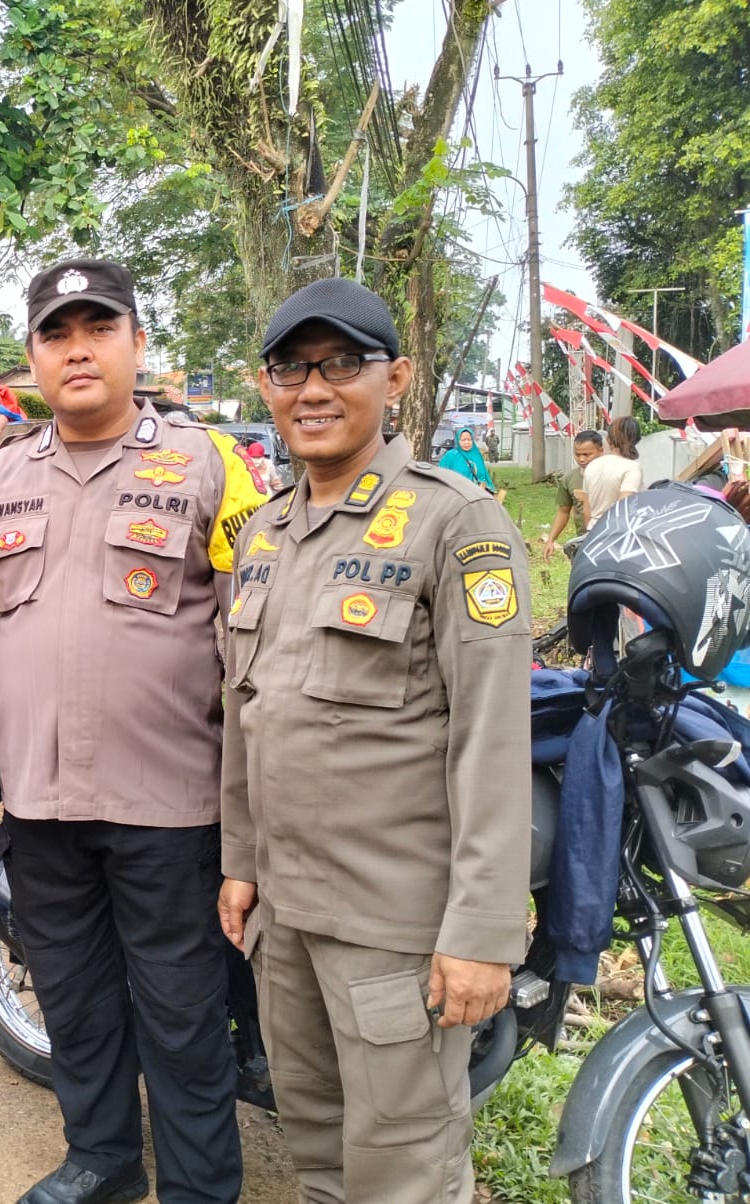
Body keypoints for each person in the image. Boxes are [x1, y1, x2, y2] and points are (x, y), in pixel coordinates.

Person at [217, 277, 531, 1203]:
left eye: (341, 364)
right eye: (290, 368)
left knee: (406, 1171)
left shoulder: (454, 521)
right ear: (265, 386)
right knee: (317, 1150)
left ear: (395, 378)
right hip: (285, 917)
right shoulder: (264, 533)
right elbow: (247, 716)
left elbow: (491, 739)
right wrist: (240, 863)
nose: (313, 389)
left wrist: (482, 934)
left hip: (394, 929)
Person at [0, 258, 267, 1204]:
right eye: (56, 334)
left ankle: (199, 1187)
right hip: (41, 803)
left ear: (138, 343)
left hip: (169, 805)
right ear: (32, 358)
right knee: (75, 1001)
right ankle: (101, 1158)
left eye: (99, 328)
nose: (78, 350)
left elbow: (253, 636)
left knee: (183, 1015)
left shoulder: (210, 464)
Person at [543, 429, 604, 560]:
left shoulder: (612, 475)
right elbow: (563, 511)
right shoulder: (569, 479)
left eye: (587, 454)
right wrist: (551, 540)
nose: (581, 459)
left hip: (610, 539)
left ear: (601, 451)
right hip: (583, 541)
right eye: (577, 454)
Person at [581, 415, 644, 525]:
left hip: (593, 529)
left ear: (608, 439)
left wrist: (590, 531)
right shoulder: (632, 468)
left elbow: (586, 510)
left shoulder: (592, 465)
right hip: (616, 530)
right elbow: (623, 507)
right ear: (636, 440)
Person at [437, 427, 495, 493]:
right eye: (463, 440)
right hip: (455, 494)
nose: (466, 442)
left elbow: (482, 477)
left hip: (475, 494)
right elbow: (441, 475)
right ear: (458, 441)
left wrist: (480, 492)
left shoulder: (476, 455)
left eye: (469, 440)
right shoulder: (451, 455)